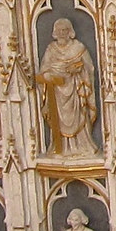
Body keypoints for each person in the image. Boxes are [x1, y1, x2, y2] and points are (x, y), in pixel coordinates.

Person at [37, 18, 99, 156]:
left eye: (64, 30)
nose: (61, 33)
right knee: (58, 119)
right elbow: (44, 69)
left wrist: (79, 70)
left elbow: (88, 67)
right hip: (57, 94)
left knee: (79, 116)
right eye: (59, 30)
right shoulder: (51, 49)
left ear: (70, 31)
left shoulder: (78, 48)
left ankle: (82, 145)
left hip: (75, 90)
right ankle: (61, 147)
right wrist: (47, 75)